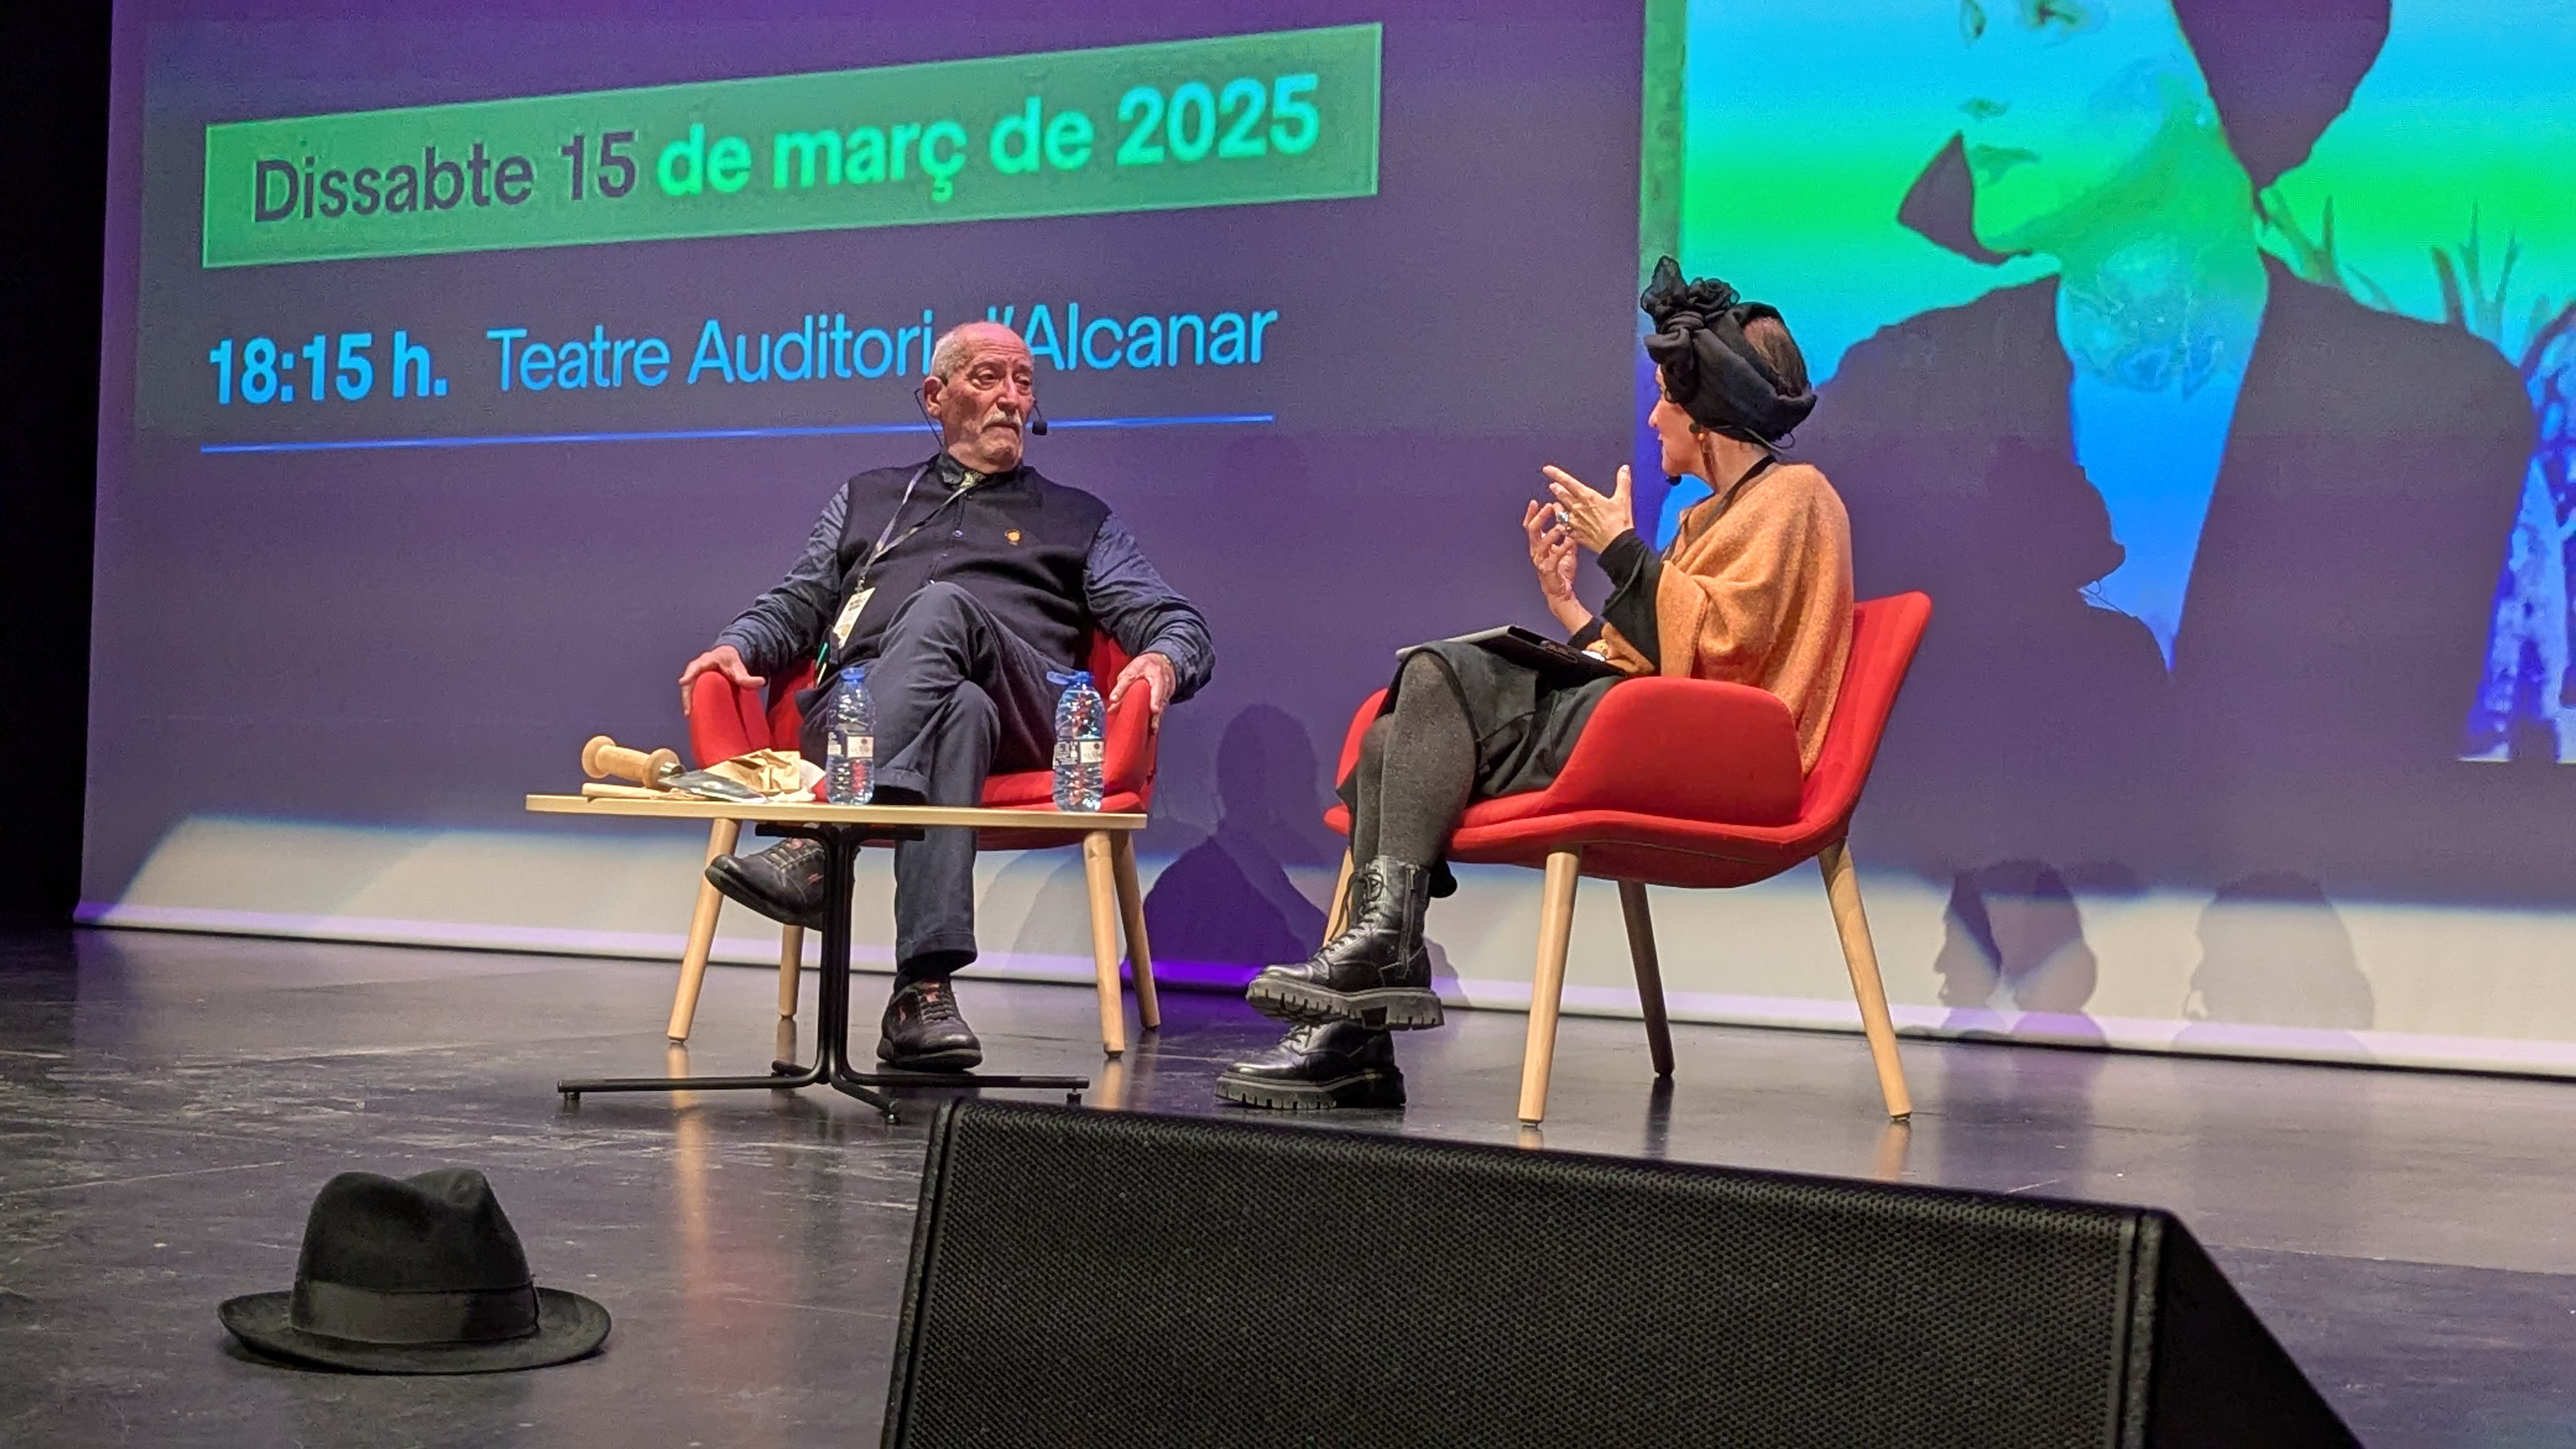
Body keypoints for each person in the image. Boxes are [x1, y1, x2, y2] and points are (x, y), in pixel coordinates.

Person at [1800, 0, 2533, 877]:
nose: (1976, 91)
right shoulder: (1896, 397)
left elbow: (2377, 784)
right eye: (1975, 28)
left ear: (2217, 68)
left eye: (2052, 19)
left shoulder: (2429, 417)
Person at [1215, 261, 1855, 1110]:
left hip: (1732, 767)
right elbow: (1652, 665)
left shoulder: (1797, 498)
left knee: (1435, 672)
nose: (1654, 417)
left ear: (1708, 413)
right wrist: (1569, 607)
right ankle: (1356, 1042)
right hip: (1663, 736)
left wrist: (1622, 552)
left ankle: (1380, 964)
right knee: (1392, 733)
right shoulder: (1707, 518)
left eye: (1666, 398)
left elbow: (1726, 652)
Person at [677, 322, 1213, 1070]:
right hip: (862, 713)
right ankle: (921, 996)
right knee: (959, 710)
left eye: (1023, 381)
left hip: (1028, 713)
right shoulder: (867, 498)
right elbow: (799, 602)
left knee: (942, 609)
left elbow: (1178, 623)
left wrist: (1161, 661)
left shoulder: (1078, 518)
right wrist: (738, 644)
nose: (1012, 399)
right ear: (935, 397)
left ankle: (821, 845)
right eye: (988, 378)